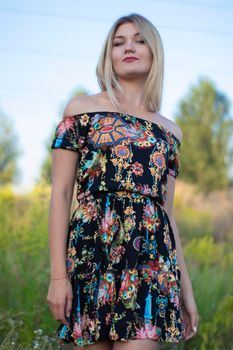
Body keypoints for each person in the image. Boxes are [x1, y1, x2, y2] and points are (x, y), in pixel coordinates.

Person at [47, 13, 199, 350]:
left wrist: (185, 291)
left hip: (150, 262)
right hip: (90, 255)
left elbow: (168, 215)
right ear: (109, 56)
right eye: (119, 42)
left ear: (153, 51)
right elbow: (59, 194)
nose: (128, 47)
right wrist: (58, 276)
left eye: (139, 40)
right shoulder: (82, 110)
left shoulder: (170, 131)